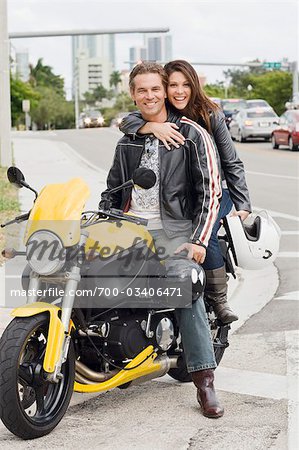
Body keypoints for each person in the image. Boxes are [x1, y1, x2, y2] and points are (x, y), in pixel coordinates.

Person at [101, 62, 224, 418]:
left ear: (165, 91)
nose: (150, 96)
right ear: (133, 95)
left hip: (175, 231)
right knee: (90, 277)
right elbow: (112, 188)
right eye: (142, 90)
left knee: (183, 288)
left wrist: (200, 239)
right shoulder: (129, 136)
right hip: (131, 229)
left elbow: (210, 191)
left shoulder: (191, 134)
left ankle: (204, 380)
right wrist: (103, 220)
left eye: (156, 89)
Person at [120, 60, 252, 324]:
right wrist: (151, 127)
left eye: (186, 85)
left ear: (194, 86)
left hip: (213, 189)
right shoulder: (162, 113)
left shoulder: (210, 114)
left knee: (206, 232)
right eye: (173, 85)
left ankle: (218, 299)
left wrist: (243, 203)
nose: (179, 91)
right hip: (178, 191)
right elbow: (128, 121)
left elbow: (231, 161)